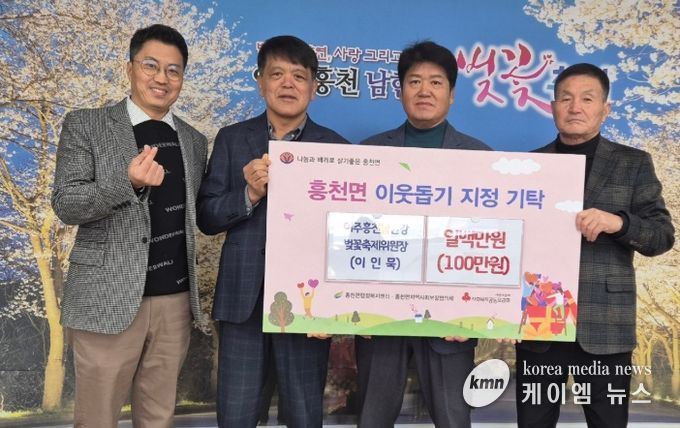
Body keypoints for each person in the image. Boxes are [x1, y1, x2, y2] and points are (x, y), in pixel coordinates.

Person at [51, 24, 208, 427]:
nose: (162, 78)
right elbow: (67, 203)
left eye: (173, 70)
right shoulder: (87, 125)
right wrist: (128, 182)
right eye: (150, 65)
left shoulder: (194, 140)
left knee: (158, 416)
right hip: (107, 299)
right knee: (97, 418)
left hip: (174, 300)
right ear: (130, 68)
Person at [197, 35, 349, 428]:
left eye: (299, 76)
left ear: (314, 87)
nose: (287, 84)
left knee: (303, 415)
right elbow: (207, 218)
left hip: (307, 306)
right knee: (236, 415)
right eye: (277, 74)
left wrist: (331, 307)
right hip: (243, 302)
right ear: (261, 82)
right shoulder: (232, 139)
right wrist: (248, 193)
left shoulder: (336, 148)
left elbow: (346, 236)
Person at [515, 63, 674, 428]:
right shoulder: (528, 166)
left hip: (606, 324)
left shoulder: (634, 163)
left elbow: (661, 236)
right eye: (566, 99)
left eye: (587, 99)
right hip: (540, 322)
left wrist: (619, 223)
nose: (576, 107)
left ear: (605, 109)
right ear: (552, 107)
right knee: (533, 422)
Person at [355, 40, 491, 428]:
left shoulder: (482, 159)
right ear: (400, 91)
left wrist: (476, 315)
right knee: (372, 419)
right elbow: (347, 234)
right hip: (380, 317)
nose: (424, 90)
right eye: (414, 81)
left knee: (453, 419)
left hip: (451, 322)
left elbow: (491, 240)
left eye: (436, 82)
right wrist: (350, 302)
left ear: (452, 93)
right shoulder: (367, 154)